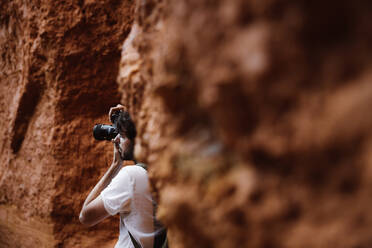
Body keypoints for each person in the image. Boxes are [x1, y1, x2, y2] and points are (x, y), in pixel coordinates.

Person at [79, 104, 166, 248]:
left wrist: (115, 166)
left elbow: (85, 216)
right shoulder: (165, 171)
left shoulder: (131, 176)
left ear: (138, 141)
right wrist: (134, 116)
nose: (117, 139)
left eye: (123, 135)